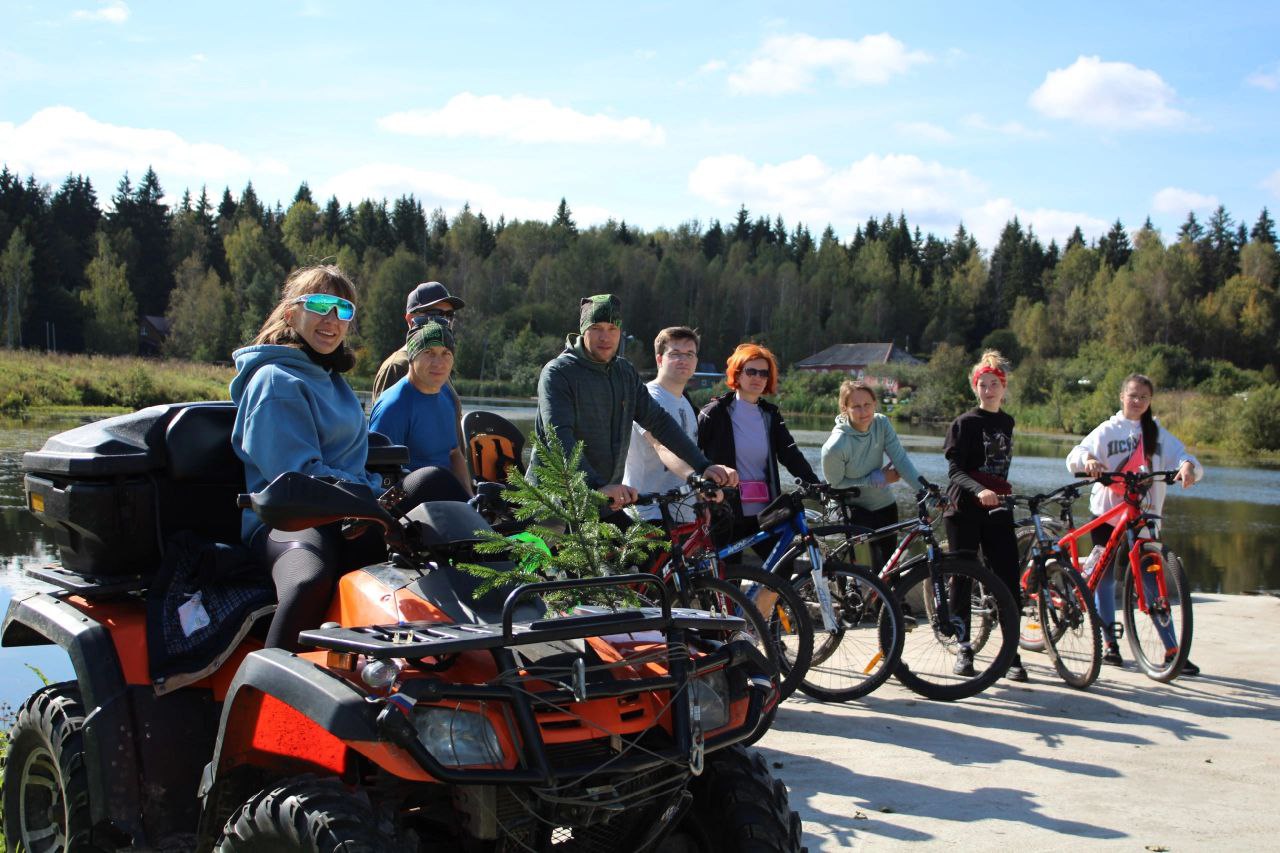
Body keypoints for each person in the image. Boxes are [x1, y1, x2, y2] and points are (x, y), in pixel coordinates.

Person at [230, 265, 441, 650]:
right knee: (309, 580)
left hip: (351, 510)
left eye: (343, 311)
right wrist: (366, 500)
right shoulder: (275, 381)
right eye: (321, 306)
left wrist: (372, 499)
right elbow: (296, 479)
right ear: (292, 314)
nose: (332, 320)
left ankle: (497, 619)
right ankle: (265, 687)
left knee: (432, 482)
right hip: (290, 519)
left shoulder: (332, 381)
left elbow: (354, 462)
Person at [530, 295, 735, 525]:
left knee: (640, 559)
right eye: (596, 328)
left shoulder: (624, 372)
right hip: (554, 503)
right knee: (550, 559)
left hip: (604, 503)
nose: (605, 336)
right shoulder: (559, 373)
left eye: (612, 328)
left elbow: (659, 422)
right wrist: (596, 486)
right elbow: (559, 438)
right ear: (583, 331)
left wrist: (703, 465)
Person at [1066, 373, 1204, 675]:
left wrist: (1187, 468)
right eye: (1133, 395)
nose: (1138, 401)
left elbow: (1184, 456)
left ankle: (1171, 650)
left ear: (1150, 400)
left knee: (1151, 580)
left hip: (1144, 516)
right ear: (1122, 397)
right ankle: (1109, 644)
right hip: (1108, 514)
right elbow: (1075, 455)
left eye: (1144, 396)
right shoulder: (1107, 430)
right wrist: (1088, 460)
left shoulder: (1156, 433)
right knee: (1104, 578)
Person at [942, 350, 1026, 681]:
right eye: (983, 384)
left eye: (994, 384)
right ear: (975, 388)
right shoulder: (964, 423)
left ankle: (1012, 651)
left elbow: (999, 468)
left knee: (1007, 579)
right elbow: (954, 470)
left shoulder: (1007, 422)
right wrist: (978, 490)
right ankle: (964, 648)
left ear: (1004, 388)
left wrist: (1000, 490)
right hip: (964, 508)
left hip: (998, 508)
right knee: (963, 575)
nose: (988, 390)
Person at [698, 343, 819, 562]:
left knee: (782, 569)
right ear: (737, 373)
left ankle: (761, 599)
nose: (757, 377)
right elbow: (694, 455)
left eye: (764, 373)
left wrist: (815, 484)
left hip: (765, 513)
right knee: (728, 578)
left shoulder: (770, 415)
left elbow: (790, 455)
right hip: (725, 511)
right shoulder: (713, 413)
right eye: (751, 371)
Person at [623, 326, 734, 524]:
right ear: (659, 359)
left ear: (696, 361)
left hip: (684, 513)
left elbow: (691, 454)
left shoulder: (686, 404)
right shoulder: (647, 399)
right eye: (675, 354)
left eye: (689, 354)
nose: (683, 360)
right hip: (648, 513)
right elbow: (661, 446)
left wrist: (701, 501)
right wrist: (697, 480)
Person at [820, 379, 924, 571]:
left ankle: (890, 601)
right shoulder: (835, 446)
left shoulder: (881, 424)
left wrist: (925, 491)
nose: (863, 411)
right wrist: (876, 479)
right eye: (856, 406)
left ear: (875, 403)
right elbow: (834, 485)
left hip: (883, 504)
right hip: (851, 509)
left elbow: (901, 460)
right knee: (865, 569)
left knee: (888, 569)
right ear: (845, 408)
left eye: (867, 404)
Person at [369, 320, 473, 499]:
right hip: (412, 513)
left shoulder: (447, 394)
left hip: (447, 504)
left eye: (446, 353)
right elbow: (378, 479)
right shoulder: (394, 406)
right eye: (429, 352)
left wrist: (470, 499)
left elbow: (454, 453)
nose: (438, 363)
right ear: (412, 356)